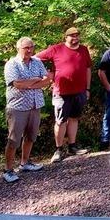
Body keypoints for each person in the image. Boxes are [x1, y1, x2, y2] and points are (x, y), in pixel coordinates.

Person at [36, 27, 92, 163]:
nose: (75, 38)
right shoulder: (56, 49)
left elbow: (88, 68)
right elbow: (36, 58)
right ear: (65, 37)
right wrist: (48, 74)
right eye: (72, 36)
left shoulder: (84, 50)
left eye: (77, 35)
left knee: (74, 118)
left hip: (80, 91)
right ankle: (59, 150)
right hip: (62, 92)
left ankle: (72, 146)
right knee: (61, 121)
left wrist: (88, 88)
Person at [3, 37, 51, 183]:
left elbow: (48, 80)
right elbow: (17, 83)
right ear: (19, 48)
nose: (29, 50)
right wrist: (36, 80)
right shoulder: (12, 64)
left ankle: (25, 163)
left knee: (31, 136)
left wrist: (29, 83)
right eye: (26, 48)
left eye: (31, 47)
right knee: (14, 140)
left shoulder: (37, 62)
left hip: (35, 104)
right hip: (17, 106)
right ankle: (8, 170)